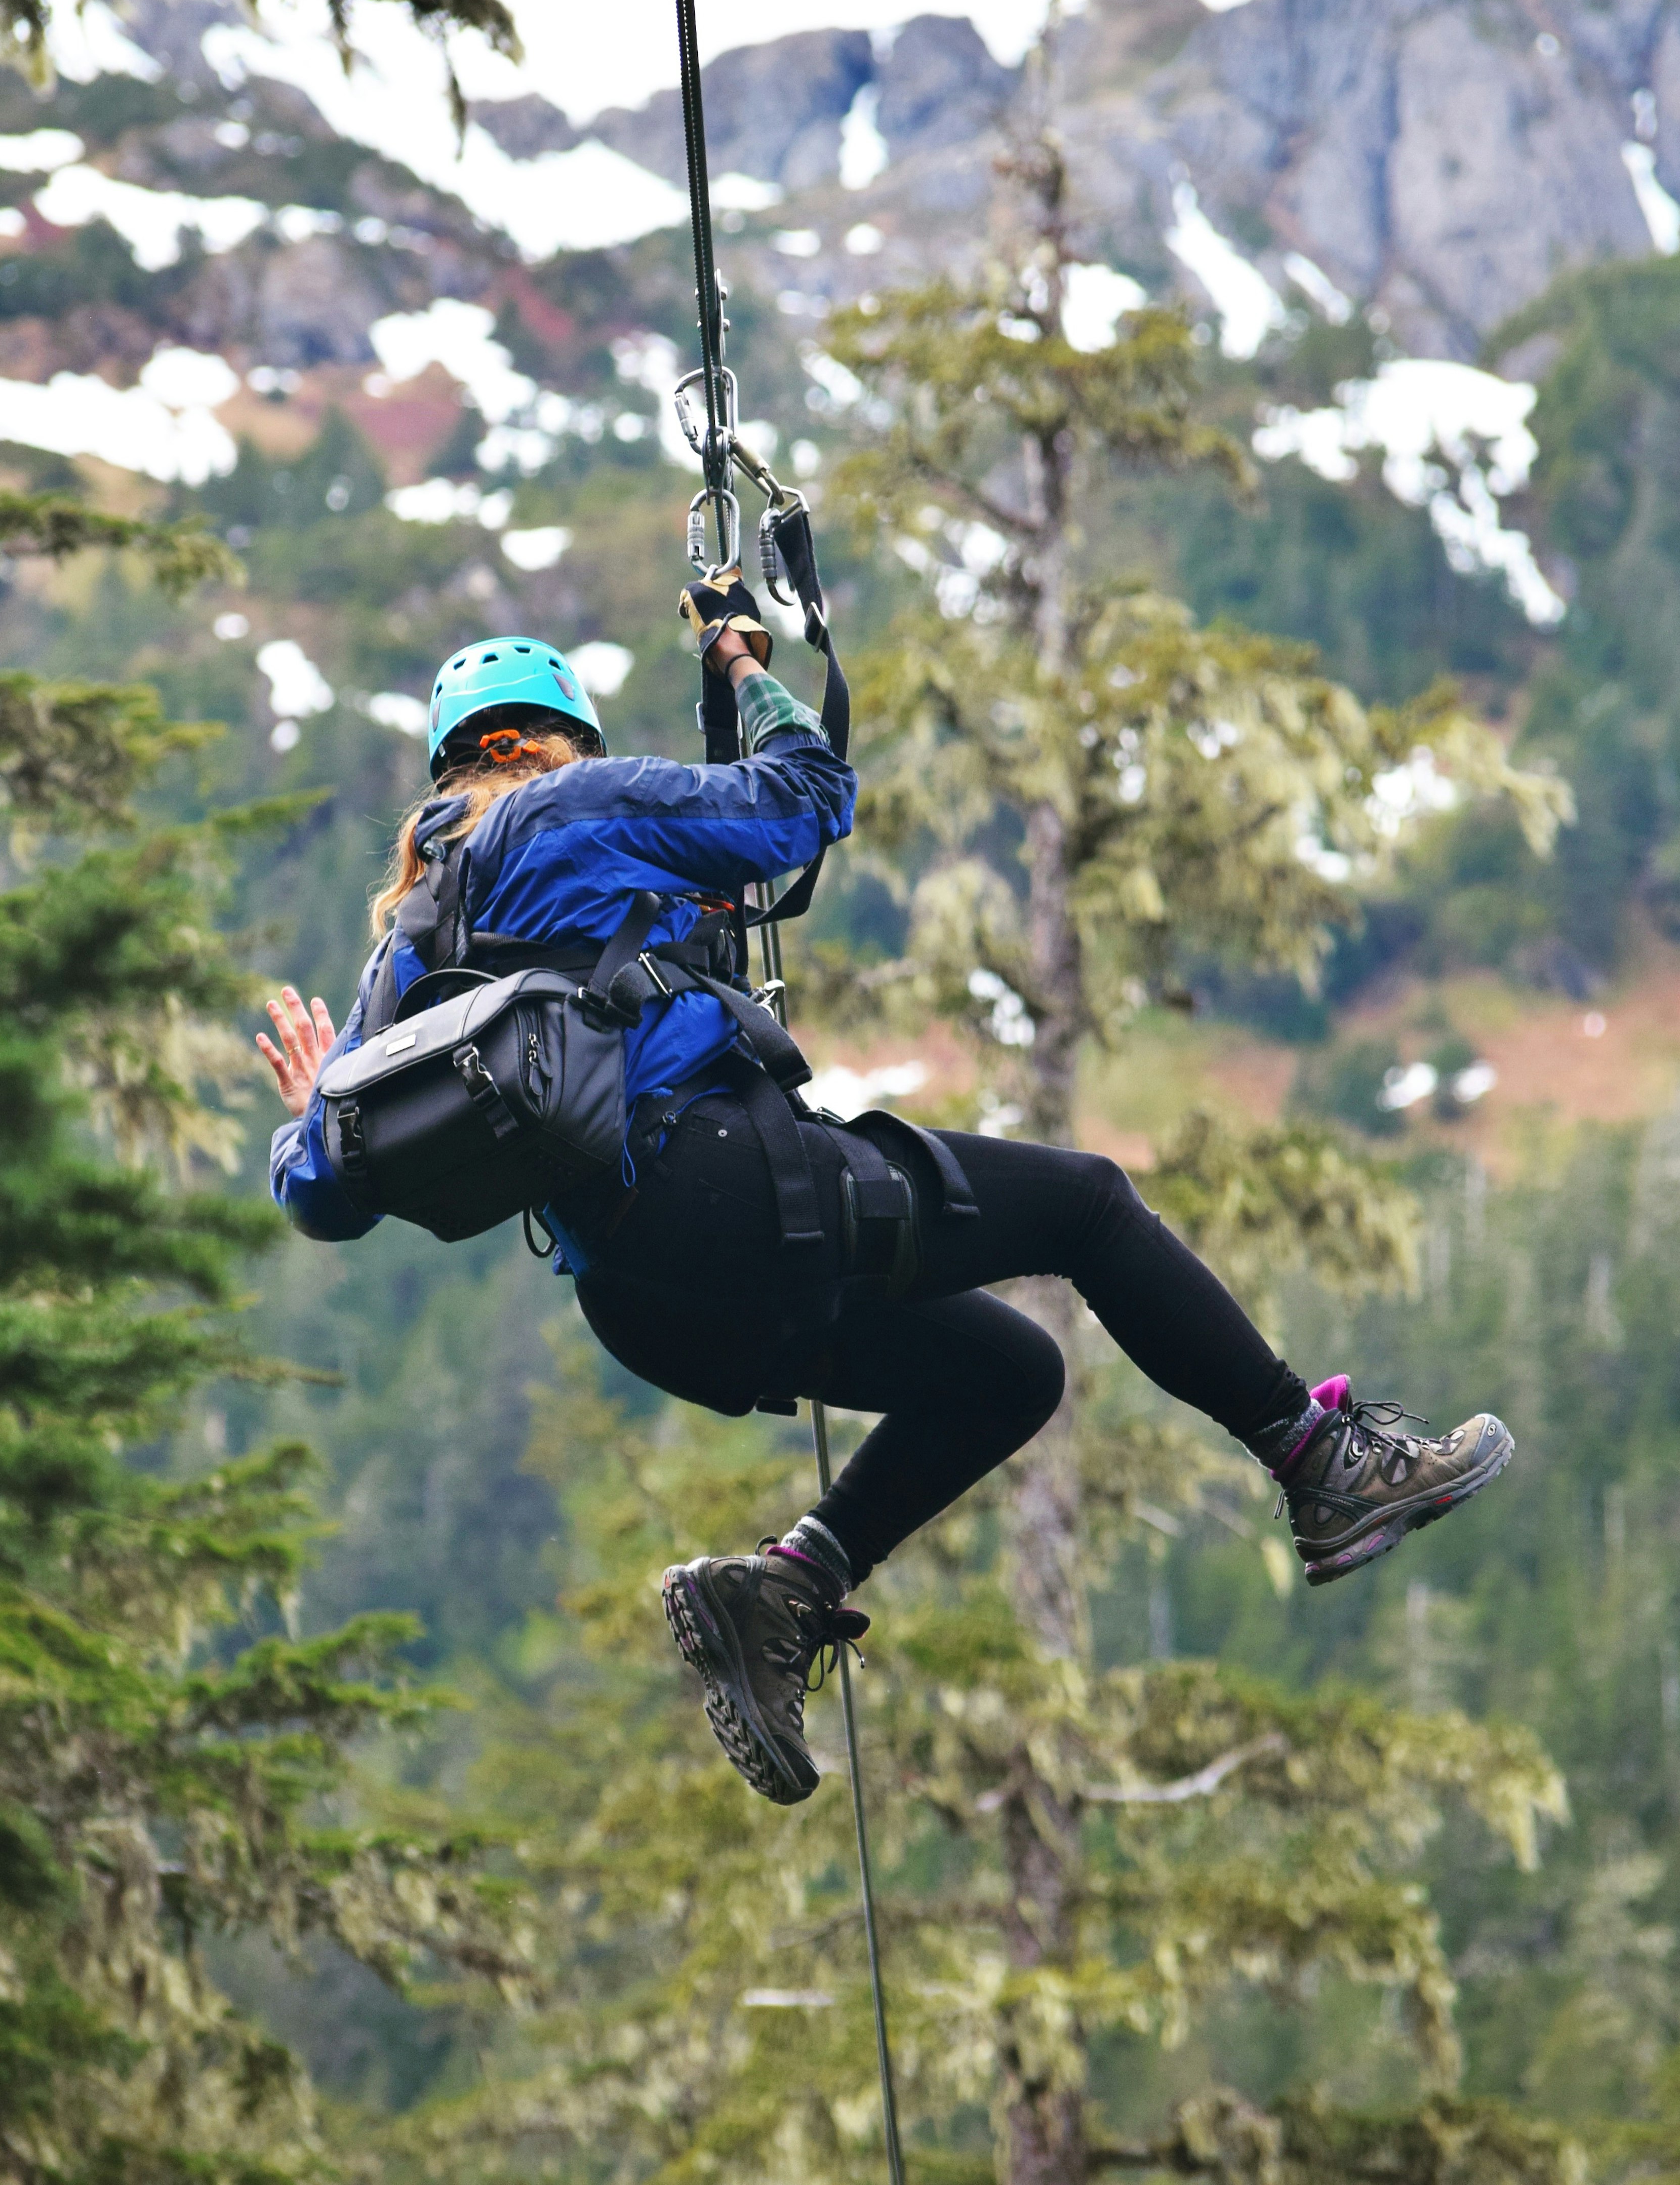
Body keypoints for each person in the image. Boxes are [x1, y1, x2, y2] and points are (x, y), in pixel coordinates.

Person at [258, 584, 1515, 1809]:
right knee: (1087, 1206)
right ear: (556, 741)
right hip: (735, 1190)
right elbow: (809, 802)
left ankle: (785, 1589)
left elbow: (327, 1196)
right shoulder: (574, 807)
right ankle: (1322, 1460)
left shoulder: (408, 945)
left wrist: (318, 1100)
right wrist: (752, 675)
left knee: (1010, 1372)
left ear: (447, 770)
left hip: (644, 1304)